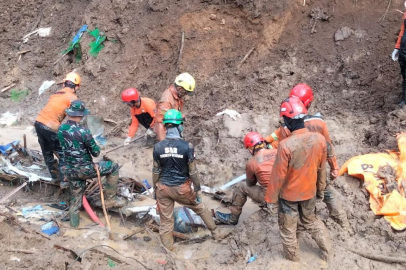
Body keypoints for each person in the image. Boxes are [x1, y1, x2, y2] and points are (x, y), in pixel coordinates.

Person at [265, 83, 350, 230]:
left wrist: (264, 143)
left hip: (296, 173)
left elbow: (277, 146)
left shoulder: (286, 127)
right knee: (327, 193)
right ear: (308, 103)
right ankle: (343, 224)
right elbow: (328, 147)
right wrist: (334, 167)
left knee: (294, 202)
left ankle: (299, 226)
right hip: (316, 169)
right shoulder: (319, 123)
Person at [264, 97, 331, 262]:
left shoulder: (285, 145)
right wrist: (320, 190)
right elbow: (322, 169)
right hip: (309, 192)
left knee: (288, 229)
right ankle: (328, 252)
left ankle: (293, 261)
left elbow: (277, 176)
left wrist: (270, 199)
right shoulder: (320, 139)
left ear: (287, 120)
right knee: (312, 221)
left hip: (289, 197)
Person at [152, 109, 222, 251]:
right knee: (201, 208)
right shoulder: (187, 147)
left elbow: (155, 171)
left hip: (163, 188)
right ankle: (216, 233)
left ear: (166, 126)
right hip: (181, 189)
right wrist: (197, 190)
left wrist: (155, 189)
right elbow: (193, 172)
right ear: (179, 126)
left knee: (166, 221)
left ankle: (168, 249)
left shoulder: (157, 147)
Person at [58, 100, 126, 228]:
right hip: (86, 169)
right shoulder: (83, 131)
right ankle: (110, 199)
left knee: (75, 201)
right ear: (81, 115)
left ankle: (74, 228)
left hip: (70, 171)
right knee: (113, 167)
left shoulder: (61, 129)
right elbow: (95, 153)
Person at [215, 132, 277, 225]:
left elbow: (250, 183)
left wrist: (254, 174)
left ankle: (232, 218)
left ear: (251, 148)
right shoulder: (277, 151)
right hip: (286, 193)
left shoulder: (251, 162)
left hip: (270, 197)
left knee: (241, 186)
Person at [35, 72, 80, 183]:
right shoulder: (73, 98)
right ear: (77, 86)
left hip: (39, 122)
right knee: (63, 153)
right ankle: (64, 181)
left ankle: (55, 177)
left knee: (47, 152)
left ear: (64, 84)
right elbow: (74, 118)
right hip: (51, 126)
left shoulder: (56, 94)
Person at [155, 73, 195, 141]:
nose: (185, 95)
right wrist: (164, 144)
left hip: (173, 132)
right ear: (180, 88)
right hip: (168, 135)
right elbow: (160, 123)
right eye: (185, 92)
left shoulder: (176, 96)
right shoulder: (166, 101)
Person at [392, 2, 406, 107]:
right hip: (403, 49)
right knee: (404, 76)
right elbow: (402, 31)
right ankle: (404, 100)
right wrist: (397, 48)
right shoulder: (405, 14)